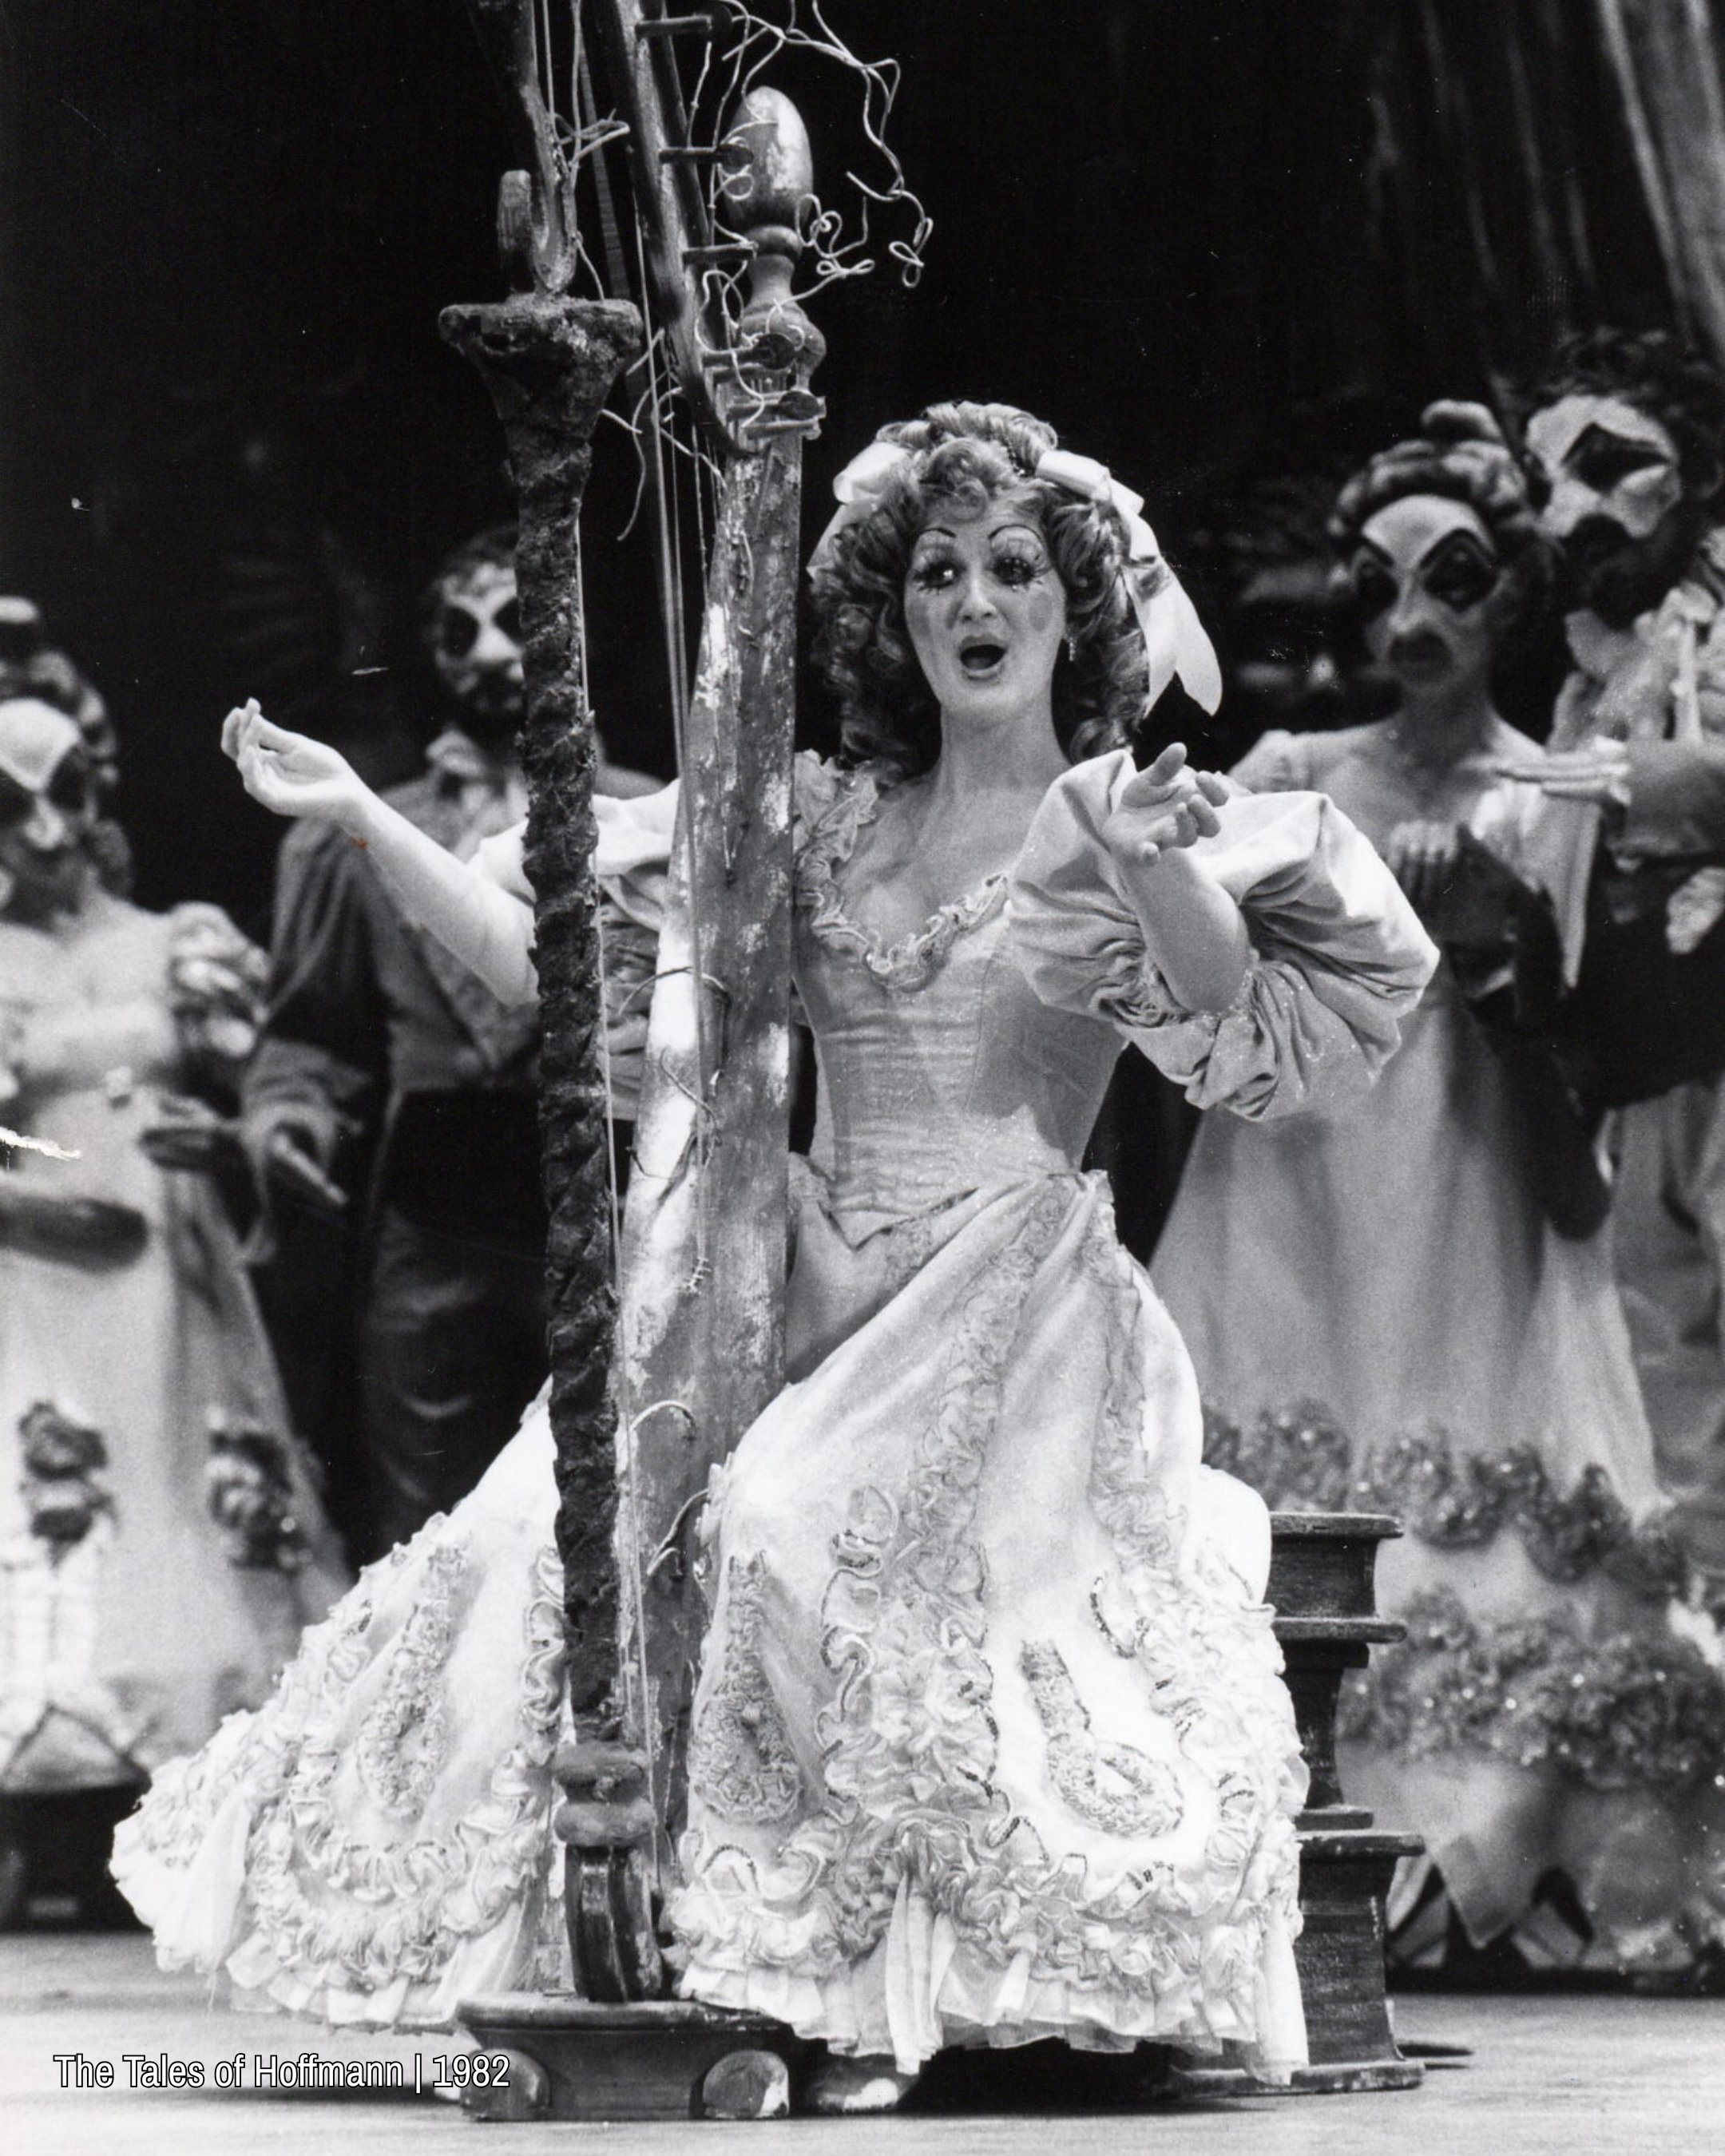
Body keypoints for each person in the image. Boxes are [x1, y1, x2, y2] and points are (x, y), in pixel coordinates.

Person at [113, 402, 1434, 2102]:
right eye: (940, 570)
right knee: (549, 1534)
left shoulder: (1114, 807)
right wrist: (367, 818)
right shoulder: (823, 819)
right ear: (896, 612)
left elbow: (1217, 1006)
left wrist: (1150, 857)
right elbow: (547, 969)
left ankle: (847, 1983)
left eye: (1016, 568)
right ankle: (665, 1959)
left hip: (1000, 1298)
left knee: (796, 1527)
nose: (976, 600)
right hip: (795, 1268)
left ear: (1072, 608)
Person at [1156, 405, 1725, 1979]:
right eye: (1382, 586)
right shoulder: (1287, 777)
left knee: (1475, 1475)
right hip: (1290, 1187)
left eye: (1456, 583)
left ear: (1511, 597)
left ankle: (1484, 1859)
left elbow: (1583, 1118)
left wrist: (1512, 977)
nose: (1411, 625)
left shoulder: (1559, 798)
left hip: (1472, 1193)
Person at [242, 525, 659, 1563]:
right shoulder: (361, 834)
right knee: (427, 1530)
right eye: (458, 631)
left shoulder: (653, 820)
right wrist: (289, 1115)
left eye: (517, 622)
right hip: (435, 1227)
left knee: (617, 1506)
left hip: (606, 1205)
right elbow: (311, 1034)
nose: (488, 654)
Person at [0, 696, 346, 1921]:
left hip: (169, 1259)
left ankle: (182, 1818)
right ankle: (48, 1819)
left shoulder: (170, 942)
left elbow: (282, 1077)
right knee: (66, 1497)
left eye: (65, 795)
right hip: (35, 1271)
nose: (44, 830)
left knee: (182, 1492)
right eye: (11, 803)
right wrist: (19, 1206)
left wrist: (237, 1139)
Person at [1497, 332, 1725, 1593]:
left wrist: (1681, 789)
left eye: (1608, 466)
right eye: (1549, 480)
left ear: (1690, 472)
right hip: (1649, 1078)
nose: (1571, 509)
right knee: (1679, 1401)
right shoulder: (1589, 679)